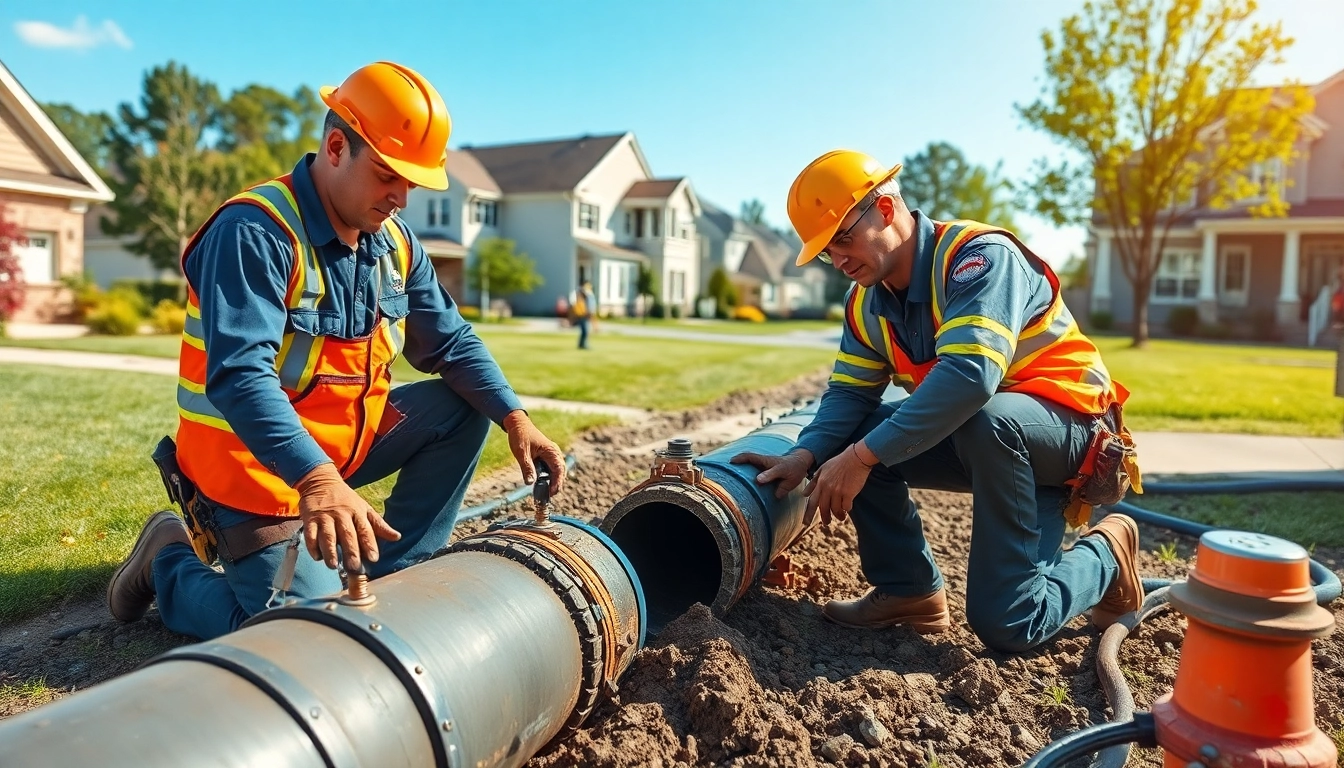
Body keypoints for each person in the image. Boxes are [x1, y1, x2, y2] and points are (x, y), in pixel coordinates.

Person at [106, 61, 566, 640]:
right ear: (335, 146)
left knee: (467, 407)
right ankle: (169, 558)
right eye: (387, 175)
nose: (401, 197)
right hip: (248, 475)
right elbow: (241, 377)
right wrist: (317, 480)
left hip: (336, 458)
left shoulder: (393, 243)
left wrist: (516, 416)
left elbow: (451, 340)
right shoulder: (256, 232)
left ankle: (392, 572)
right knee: (300, 632)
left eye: (412, 183)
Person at [733, 150, 1143, 653]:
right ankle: (909, 591)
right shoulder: (866, 303)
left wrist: (860, 458)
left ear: (884, 209)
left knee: (1011, 619)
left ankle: (1108, 550)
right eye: (825, 251)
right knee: (865, 435)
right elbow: (848, 394)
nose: (838, 260)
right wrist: (809, 454)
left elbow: (971, 377)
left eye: (842, 238)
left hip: (1070, 433)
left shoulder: (977, 259)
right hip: (991, 437)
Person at [573, 281, 597, 349]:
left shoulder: (589, 295)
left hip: (587, 314)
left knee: (586, 331)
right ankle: (583, 345)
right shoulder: (583, 294)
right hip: (583, 314)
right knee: (585, 331)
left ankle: (582, 344)